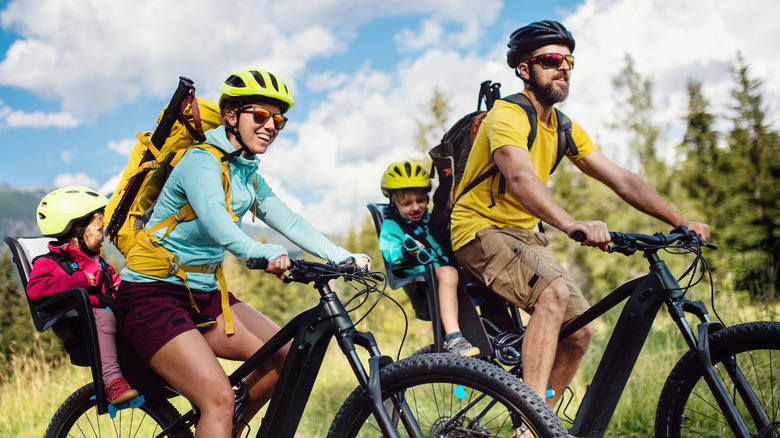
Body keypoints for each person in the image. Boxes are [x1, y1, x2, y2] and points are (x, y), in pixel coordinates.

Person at [450, 20, 710, 407]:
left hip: (526, 237)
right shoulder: (507, 114)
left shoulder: (562, 127)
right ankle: (534, 422)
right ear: (524, 69)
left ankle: (541, 421)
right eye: (551, 60)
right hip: (479, 229)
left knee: (579, 331)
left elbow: (623, 180)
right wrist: (571, 224)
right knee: (552, 294)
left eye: (568, 61)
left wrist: (679, 221)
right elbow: (519, 178)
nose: (563, 67)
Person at [113, 68, 370, 437]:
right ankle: (218, 419)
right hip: (150, 297)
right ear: (231, 116)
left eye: (279, 120)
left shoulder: (246, 173)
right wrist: (257, 251)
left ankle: (227, 430)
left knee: (287, 355)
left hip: (204, 295)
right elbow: (216, 218)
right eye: (261, 115)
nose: (271, 126)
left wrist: (341, 256)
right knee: (217, 400)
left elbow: (288, 220)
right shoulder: (201, 161)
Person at [28, 186, 139, 405]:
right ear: (78, 230)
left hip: (105, 319)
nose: (104, 235)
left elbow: (117, 284)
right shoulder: (48, 263)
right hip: (79, 324)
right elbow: (36, 289)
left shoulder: (99, 263)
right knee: (103, 316)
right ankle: (112, 381)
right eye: (99, 229)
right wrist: (78, 281)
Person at [379, 160, 479, 357]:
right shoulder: (391, 225)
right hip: (421, 278)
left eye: (421, 200)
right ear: (394, 203)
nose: (416, 207)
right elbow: (390, 251)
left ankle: (501, 331)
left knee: (481, 266)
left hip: (444, 272)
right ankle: (454, 338)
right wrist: (406, 250)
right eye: (407, 203)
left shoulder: (430, 219)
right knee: (449, 273)